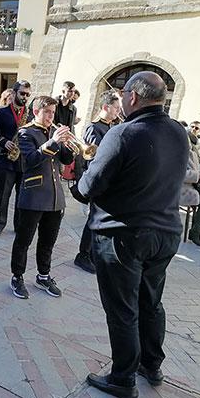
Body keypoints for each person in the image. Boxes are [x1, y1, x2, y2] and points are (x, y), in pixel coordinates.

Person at [76, 71, 188, 398]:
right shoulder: (179, 132)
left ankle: (123, 378)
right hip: (165, 233)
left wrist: (81, 182)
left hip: (123, 235)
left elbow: (90, 185)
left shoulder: (123, 132)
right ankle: (151, 366)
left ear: (133, 97)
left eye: (123, 94)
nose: (122, 99)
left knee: (122, 308)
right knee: (150, 302)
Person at [9, 96, 74, 300]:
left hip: (54, 197)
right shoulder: (26, 132)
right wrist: (54, 141)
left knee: (48, 241)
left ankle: (43, 275)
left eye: (53, 113)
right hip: (34, 194)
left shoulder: (52, 132)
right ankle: (17, 276)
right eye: (47, 112)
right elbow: (32, 160)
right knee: (24, 240)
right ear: (36, 112)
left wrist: (68, 146)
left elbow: (65, 160)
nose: (50, 117)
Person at [74, 91, 121, 274]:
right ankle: (83, 254)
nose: (118, 111)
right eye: (116, 108)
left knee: (101, 219)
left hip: (110, 181)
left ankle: (94, 254)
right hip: (98, 179)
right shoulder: (94, 128)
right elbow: (96, 157)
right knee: (93, 218)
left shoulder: (112, 127)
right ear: (105, 107)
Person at [0, 81, 31, 237]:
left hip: (24, 161)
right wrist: (3, 141)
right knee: (3, 195)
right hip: (7, 159)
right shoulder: (2, 112)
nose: (25, 97)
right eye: (22, 93)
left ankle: (18, 225)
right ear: (14, 93)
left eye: (27, 94)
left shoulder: (31, 115)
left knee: (22, 196)